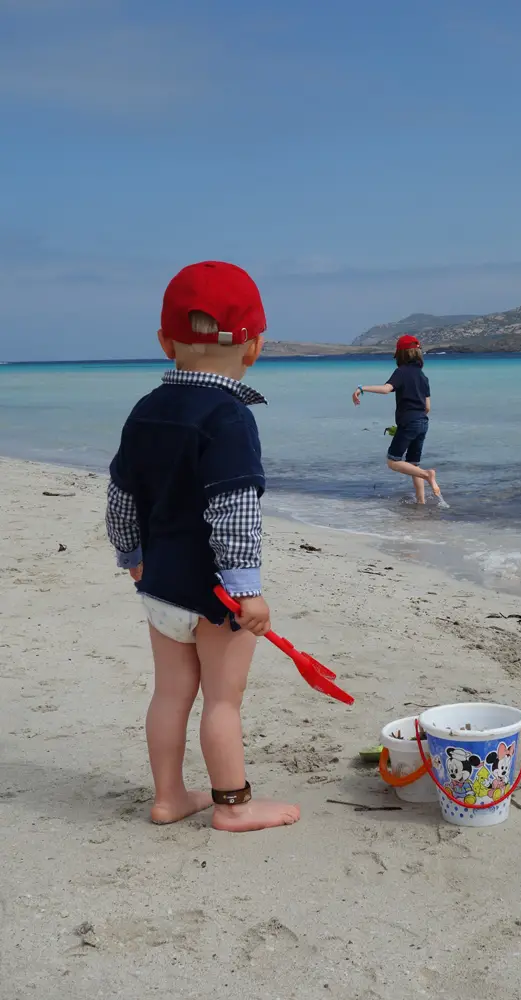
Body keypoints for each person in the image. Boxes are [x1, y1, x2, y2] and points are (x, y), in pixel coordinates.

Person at [105, 260, 300, 833]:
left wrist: (130, 555)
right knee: (222, 702)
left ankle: (168, 796)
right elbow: (234, 507)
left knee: (171, 695)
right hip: (215, 595)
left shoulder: (144, 411)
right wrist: (247, 591)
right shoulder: (229, 417)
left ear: (165, 342)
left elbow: (120, 496)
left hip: (159, 586)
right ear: (255, 347)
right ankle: (231, 806)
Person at [352, 334, 441, 503]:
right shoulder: (423, 377)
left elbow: (386, 389)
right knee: (413, 464)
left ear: (401, 355)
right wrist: (413, 423)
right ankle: (421, 502)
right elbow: (427, 407)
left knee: (393, 461)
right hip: (422, 423)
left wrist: (362, 388)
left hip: (409, 422)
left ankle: (427, 475)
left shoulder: (401, 372)